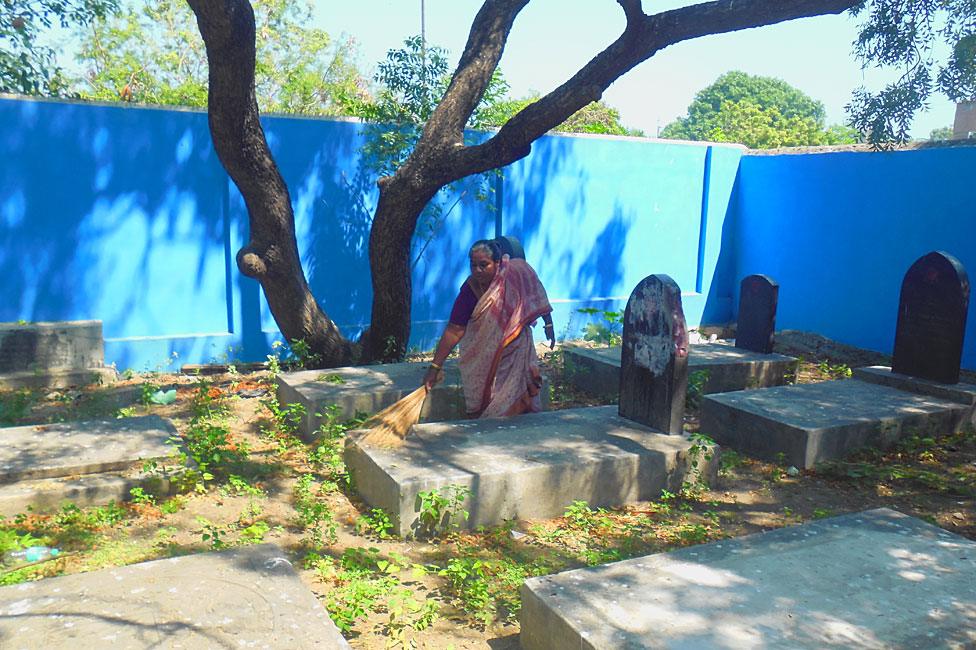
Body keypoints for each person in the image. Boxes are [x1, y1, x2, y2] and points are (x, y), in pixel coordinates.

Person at [422, 238, 556, 418]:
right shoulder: (469, 290)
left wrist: (548, 324)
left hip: (515, 350)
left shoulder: (516, 275)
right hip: (481, 355)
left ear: (497, 263)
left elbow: (535, 292)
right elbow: (455, 329)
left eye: (484, 265)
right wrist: (435, 367)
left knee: (516, 397)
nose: (477, 270)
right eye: (473, 265)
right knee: (486, 402)